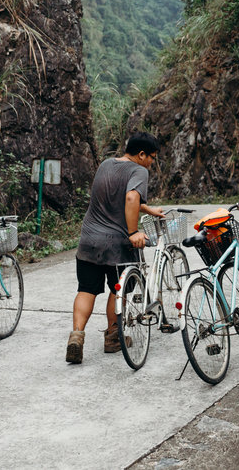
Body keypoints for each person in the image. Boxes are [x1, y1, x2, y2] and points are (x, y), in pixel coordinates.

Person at [66, 132, 164, 363]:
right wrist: (133, 232)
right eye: (151, 157)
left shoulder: (106, 164)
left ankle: (77, 336)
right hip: (116, 244)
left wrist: (148, 209)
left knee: (86, 290)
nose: (151, 162)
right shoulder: (139, 171)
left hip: (89, 240)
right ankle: (112, 337)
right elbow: (130, 198)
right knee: (118, 290)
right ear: (141, 154)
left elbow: (112, 199)